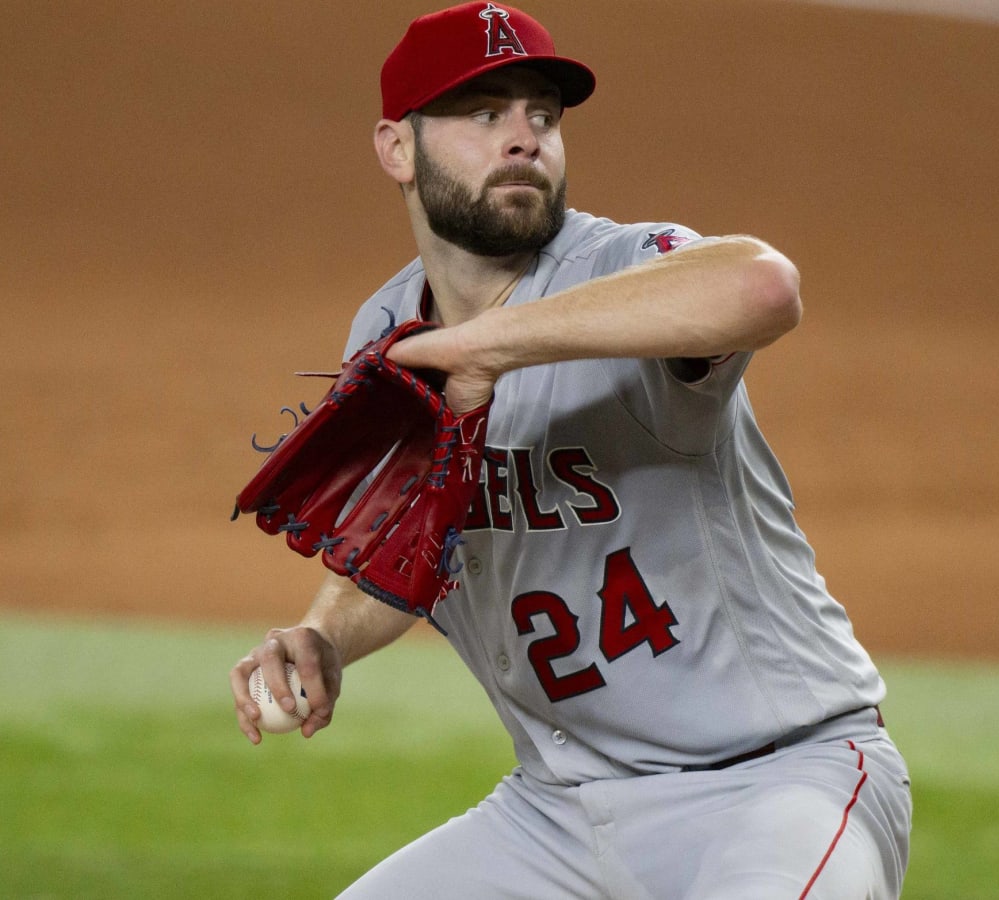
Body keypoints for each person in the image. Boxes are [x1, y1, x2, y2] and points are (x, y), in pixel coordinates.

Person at [230, 3, 912, 897]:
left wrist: (492, 344)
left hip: (773, 784)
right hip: (557, 813)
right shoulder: (390, 330)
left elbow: (762, 285)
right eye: (484, 114)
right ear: (397, 148)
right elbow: (411, 539)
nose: (523, 138)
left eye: (541, 115)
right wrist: (323, 635)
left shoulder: (629, 272)